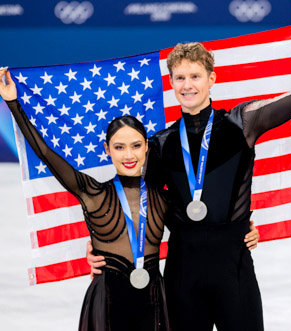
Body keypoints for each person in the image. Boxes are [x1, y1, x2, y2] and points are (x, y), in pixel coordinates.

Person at [84, 10, 291, 330]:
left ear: (212, 79)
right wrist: (99, 243)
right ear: (171, 82)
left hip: (234, 266)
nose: (187, 85)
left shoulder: (242, 123)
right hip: (182, 273)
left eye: (195, 76)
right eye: (180, 77)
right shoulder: (161, 145)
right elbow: (130, 199)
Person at [1, 68, 176, 330]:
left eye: (136, 145)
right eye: (119, 147)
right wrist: (13, 103)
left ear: (147, 147)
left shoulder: (162, 197)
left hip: (152, 302)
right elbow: (46, 153)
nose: (129, 155)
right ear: (107, 150)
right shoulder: (93, 193)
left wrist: (244, 228)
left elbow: (197, 231)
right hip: (107, 301)